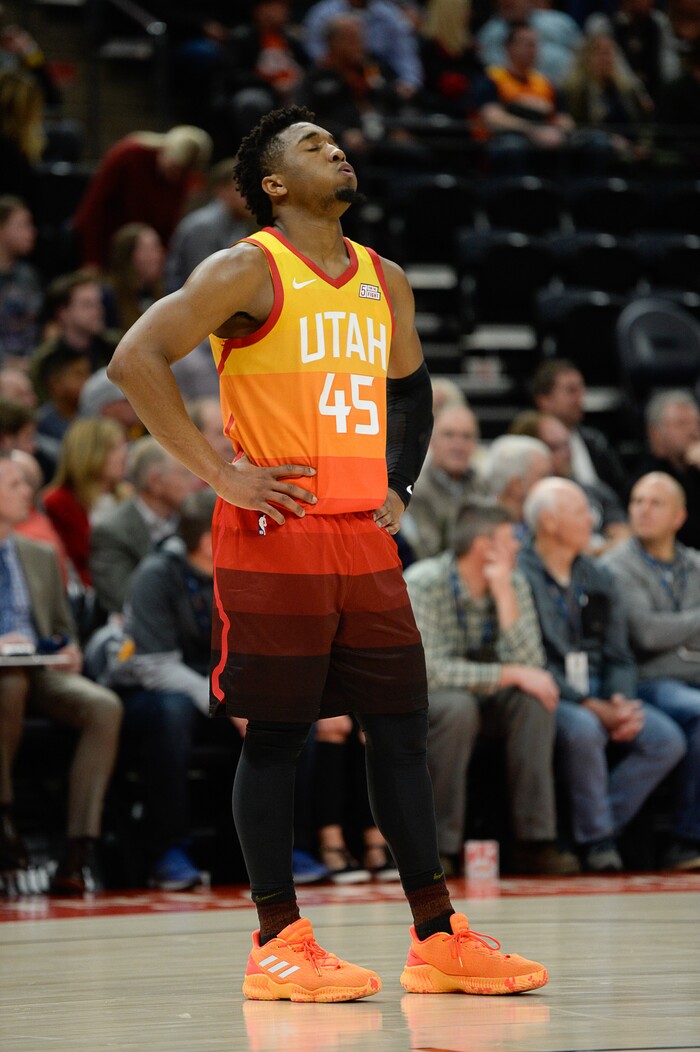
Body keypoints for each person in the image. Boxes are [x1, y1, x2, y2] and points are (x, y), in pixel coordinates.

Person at [108, 104, 548, 1002]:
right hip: (275, 531)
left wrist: (403, 483)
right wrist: (218, 473)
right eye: (312, 145)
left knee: (399, 731)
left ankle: (437, 938)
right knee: (276, 737)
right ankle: (277, 941)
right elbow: (136, 358)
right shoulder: (246, 269)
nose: (337, 147)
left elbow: (413, 386)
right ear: (274, 184)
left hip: (362, 535)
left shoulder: (383, 278)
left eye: (338, 140)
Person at [518, 477, 686, 871]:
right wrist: (591, 707)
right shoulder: (520, 575)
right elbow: (531, 658)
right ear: (549, 522)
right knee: (583, 729)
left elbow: (620, 655)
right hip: (550, 693)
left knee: (666, 739)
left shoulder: (598, 575)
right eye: (580, 512)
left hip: (600, 689)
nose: (591, 520)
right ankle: (598, 844)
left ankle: (584, 830)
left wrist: (620, 700)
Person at [405, 499, 580, 876]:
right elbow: (428, 670)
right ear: (485, 546)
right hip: (436, 699)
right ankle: (438, 850)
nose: (519, 545)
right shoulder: (425, 582)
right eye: (510, 538)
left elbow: (531, 665)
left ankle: (536, 842)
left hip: (488, 698)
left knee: (533, 702)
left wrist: (503, 593)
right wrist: (510, 675)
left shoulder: (513, 580)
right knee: (458, 708)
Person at [104, 487, 243, 889]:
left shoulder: (242, 574)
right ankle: (168, 850)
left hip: (212, 693)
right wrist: (224, 702)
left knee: (279, 713)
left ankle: (278, 847)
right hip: (145, 691)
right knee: (171, 712)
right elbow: (154, 667)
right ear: (208, 541)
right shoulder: (156, 575)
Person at [0, 452, 122, 895]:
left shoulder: (37, 551)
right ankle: (6, 820)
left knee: (103, 706)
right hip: (6, 677)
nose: (27, 493)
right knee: (8, 685)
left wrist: (67, 649)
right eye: (14, 485)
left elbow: (62, 628)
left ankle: (78, 847)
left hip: (42, 671)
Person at [602, 472, 700, 870]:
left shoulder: (695, 563)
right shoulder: (617, 565)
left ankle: (686, 841)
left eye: (655, 502)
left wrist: (676, 637)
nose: (643, 509)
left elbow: (664, 632)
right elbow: (646, 633)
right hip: (644, 681)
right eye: (637, 501)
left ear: (679, 516)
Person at [89, 435, 200, 617]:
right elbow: (123, 598)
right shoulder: (112, 531)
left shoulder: (192, 520)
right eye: (186, 473)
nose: (196, 482)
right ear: (155, 482)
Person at [72, 125, 212, 269]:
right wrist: (92, 261)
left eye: (183, 173)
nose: (176, 176)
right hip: (105, 246)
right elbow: (94, 209)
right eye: (174, 168)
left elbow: (169, 225)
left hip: (139, 259)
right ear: (165, 150)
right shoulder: (129, 154)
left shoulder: (182, 179)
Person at [509, 409, 630, 554]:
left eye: (567, 443)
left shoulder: (594, 490)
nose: (567, 453)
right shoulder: (528, 497)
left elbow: (625, 537)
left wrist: (592, 551)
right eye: (555, 447)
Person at [473, 22, 575, 174]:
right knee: (512, 145)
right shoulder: (492, 80)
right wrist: (533, 131)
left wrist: (558, 129)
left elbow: (565, 121)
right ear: (508, 48)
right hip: (503, 143)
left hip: (546, 144)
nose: (532, 49)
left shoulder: (546, 84)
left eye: (535, 44)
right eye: (526, 44)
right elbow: (493, 118)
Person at [42, 417, 130, 587]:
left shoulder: (128, 497)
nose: (124, 454)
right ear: (89, 452)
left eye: (124, 446)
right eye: (114, 448)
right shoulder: (57, 503)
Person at [530, 357, 630, 501]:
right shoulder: (531, 443)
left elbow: (619, 491)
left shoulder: (595, 441)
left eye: (581, 389)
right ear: (544, 400)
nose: (580, 397)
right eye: (571, 391)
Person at [402, 402, 488, 560]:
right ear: (430, 441)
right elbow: (427, 552)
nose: (459, 445)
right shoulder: (414, 489)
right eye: (449, 435)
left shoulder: (482, 485)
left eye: (466, 436)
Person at [29, 271, 120, 405]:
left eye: (99, 303)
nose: (99, 310)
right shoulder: (46, 360)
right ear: (63, 313)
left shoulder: (117, 346)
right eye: (87, 305)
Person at [164, 159, 254, 292]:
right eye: (243, 189)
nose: (251, 196)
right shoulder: (204, 227)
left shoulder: (238, 224)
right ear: (222, 191)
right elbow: (201, 285)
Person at [302, 0, 423, 98]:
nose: (361, 45)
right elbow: (317, 54)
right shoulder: (323, 13)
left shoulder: (389, 15)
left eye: (361, 40)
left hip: (373, 69)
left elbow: (404, 53)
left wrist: (409, 82)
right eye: (352, 41)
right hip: (335, 72)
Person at [634, 389, 700, 550]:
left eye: (697, 423)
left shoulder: (694, 471)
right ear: (655, 433)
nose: (694, 432)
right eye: (682, 423)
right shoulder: (647, 482)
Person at [476, 0, 582, 88]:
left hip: (564, 89)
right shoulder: (490, 33)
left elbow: (582, 53)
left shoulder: (558, 22)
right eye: (506, 4)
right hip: (512, 93)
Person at [0, 195, 42, 368]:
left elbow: (38, 326)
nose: (32, 232)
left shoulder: (29, 276)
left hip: (30, 366)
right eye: (23, 225)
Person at [482, 433, 552, 536]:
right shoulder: (484, 533)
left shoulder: (546, 523)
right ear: (516, 485)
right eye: (543, 476)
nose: (551, 483)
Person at [101, 223, 166, 334]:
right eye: (148, 250)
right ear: (127, 256)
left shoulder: (160, 294)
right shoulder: (108, 298)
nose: (158, 256)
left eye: (157, 247)